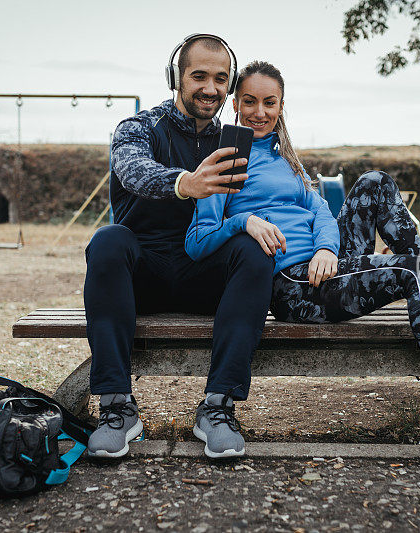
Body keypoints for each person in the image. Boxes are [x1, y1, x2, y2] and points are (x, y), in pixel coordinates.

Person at [185, 60, 420, 473]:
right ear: (236, 104)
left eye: (269, 102)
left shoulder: (285, 159)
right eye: (250, 101)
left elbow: (322, 214)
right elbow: (198, 242)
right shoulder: (224, 160)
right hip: (295, 285)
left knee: (375, 181)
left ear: (281, 105)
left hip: (325, 265)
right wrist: (244, 222)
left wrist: (327, 248)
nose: (260, 112)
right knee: (413, 270)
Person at [84, 34, 271, 459]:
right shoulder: (138, 127)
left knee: (253, 249)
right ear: (176, 77)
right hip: (140, 278)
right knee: (108, 240)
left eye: (221, 79)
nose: (211, 88)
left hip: (204, 272)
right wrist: (186, 183)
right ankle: (117, 409)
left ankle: (218, 408)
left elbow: (276, 192)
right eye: (199, 75)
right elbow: (133, 171)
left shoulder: (238, 139)